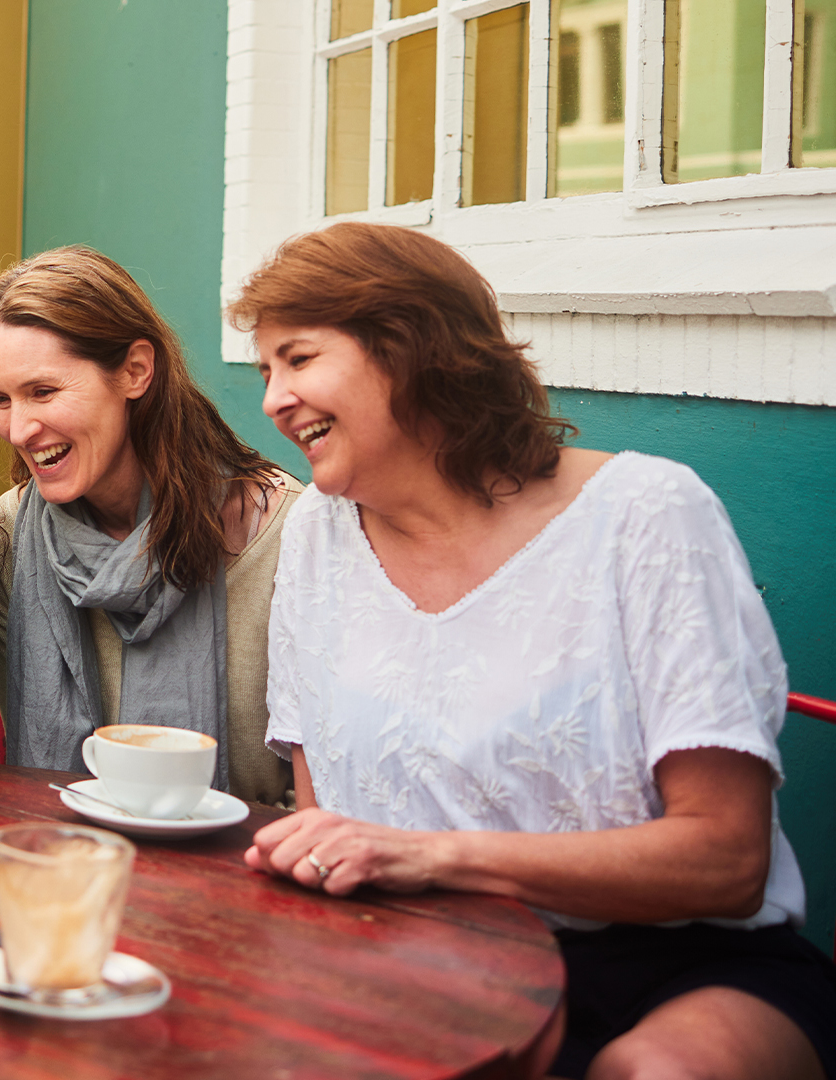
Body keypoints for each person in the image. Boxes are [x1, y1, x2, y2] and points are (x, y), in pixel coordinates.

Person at [231, 222, 835, 1080]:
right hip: (426, 956)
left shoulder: (646, 514)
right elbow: (324, 820)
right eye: (264, 371)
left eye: (297, 359)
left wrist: (432, 856)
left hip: (673, 965)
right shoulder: (316, 540)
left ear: (409, 349)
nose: (272, 400)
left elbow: (727, 862)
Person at [0, 246, 301, 806]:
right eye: (0, 399)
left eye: (43, 391)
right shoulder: (5, 541)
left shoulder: (288, 536)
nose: (20, 428)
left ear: (135, 371)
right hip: (68, 862)